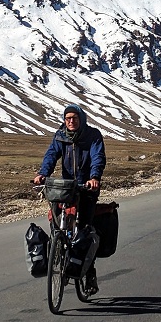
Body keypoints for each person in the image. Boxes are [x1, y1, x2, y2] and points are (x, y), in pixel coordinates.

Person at [33, 103, 106, 294]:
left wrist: (94, 178)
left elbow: (98, 157)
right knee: (57, 223)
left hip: (86, 188)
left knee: (85, 231)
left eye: (74, 118)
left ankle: (89, 274)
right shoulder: (60, 136)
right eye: (67, 119)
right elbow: (51, 155)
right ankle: (59, 252)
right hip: (66, 188)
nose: (71, 122)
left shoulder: (92, 136)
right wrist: (43, 173)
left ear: (81, 119)